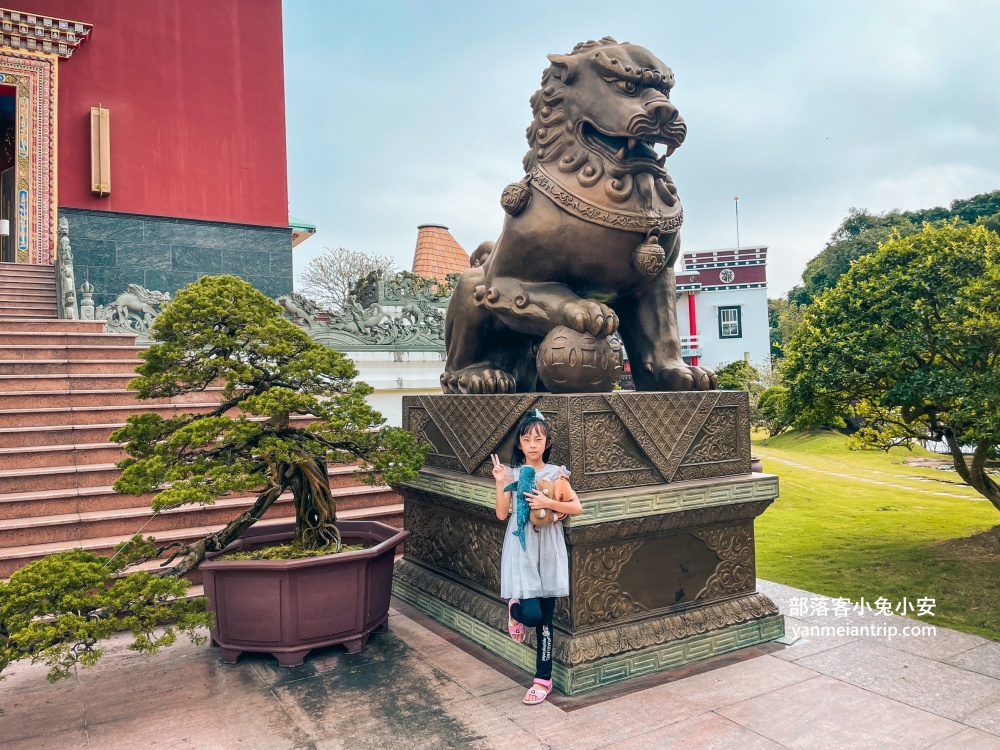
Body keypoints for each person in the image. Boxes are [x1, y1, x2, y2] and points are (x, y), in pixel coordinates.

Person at [491, 409, 582, 705]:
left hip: (550, 551)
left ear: (547, 442)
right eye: (527, 438)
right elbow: (502, 514)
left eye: (538, 438)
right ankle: (515, 611)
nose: (532, 444)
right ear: (519, 443)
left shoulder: (557, 473)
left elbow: (577, 508)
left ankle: (543, 679)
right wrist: (499, 480)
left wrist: (548, 502)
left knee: (546, 620)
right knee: (531, 615)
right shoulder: (513, 474)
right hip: (524, 550)